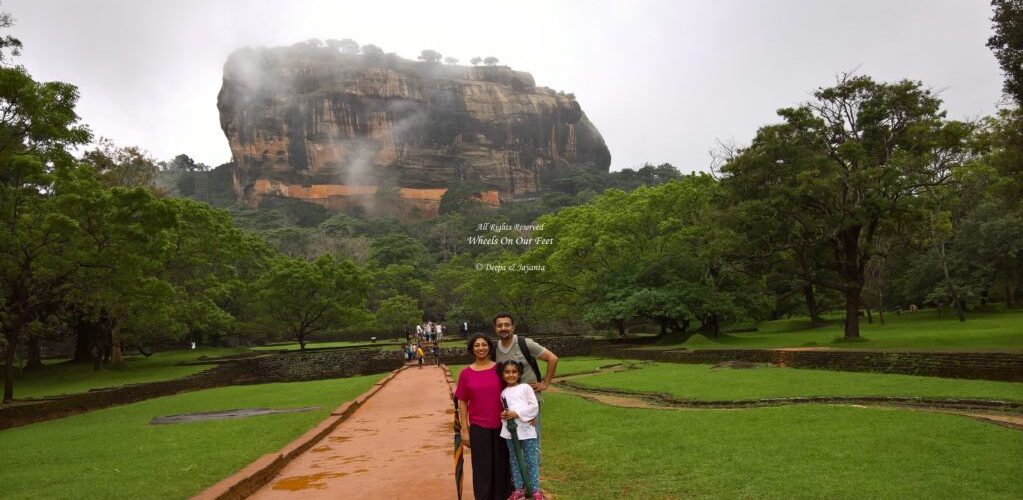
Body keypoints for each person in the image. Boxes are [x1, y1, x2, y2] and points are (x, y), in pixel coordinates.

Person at [455, 335, 513, 500]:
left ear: (489, 347)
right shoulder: (466, 373)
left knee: (501, 465)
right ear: (472, 349)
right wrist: (464, 430)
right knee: (482, 468)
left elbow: (512, 391)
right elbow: (462, 402)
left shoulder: (500, 369)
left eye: (484, 345)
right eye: (477, 345)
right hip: (479, 427)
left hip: (502, 425)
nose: (481, 348)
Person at [492, 312, 558, 445]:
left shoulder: (524, 343)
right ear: (495, 329)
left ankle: (533, 466)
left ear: (513, 327)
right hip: (508, 402)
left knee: (532, 440)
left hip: (530, 401)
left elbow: (552, 358)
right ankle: (516, 466)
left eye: (507, 325)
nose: (503, 328)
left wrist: (545, 383)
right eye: (499, 326)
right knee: (512, 441)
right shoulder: (494, 349)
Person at [498, 360, 543, 500]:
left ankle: (535, 490)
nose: (511, 375)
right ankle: (518, 489)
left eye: (514, 372)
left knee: (531, 460)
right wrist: (504, 415)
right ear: (502, 374)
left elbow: (534, 407)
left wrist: (516, 413)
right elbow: (506, 411)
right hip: (510, 433)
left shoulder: (525, 388)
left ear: (519, 374)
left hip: (527, 431)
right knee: (515, 460)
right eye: (507, 372)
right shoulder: (503, 393)